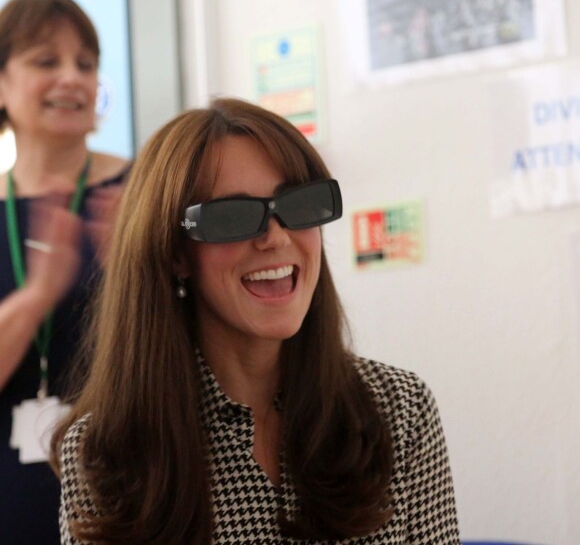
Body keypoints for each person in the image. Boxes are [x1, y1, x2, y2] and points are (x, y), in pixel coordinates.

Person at [53, 98, 460, 544]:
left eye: (300, 204)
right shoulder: (107, 450)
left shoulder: (401, 411)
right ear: (174, 253)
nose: (277, 237)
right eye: (233, 216)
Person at [0, 0, 129, 544]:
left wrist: (138, 274)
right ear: (2, 82)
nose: (72, 79)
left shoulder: (143, 191)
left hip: (126, 471)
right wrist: (35, 299)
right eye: (46, 61)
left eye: (86, 62)